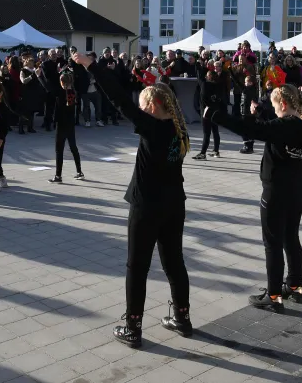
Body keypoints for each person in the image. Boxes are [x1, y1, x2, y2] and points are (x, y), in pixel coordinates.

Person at [72, 51, 192, 349]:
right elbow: (140, 97)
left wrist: (92, 66)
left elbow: (118, 99)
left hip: (147, 205)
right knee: (174, 262)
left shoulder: (153, 128)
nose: (138, 107)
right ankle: (182, 318)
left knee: (137, 267)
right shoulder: (179, 128)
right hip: (174, 203)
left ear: (151, 107)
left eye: (143, 104)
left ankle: (133, 327)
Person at [209, 85, 302, 312]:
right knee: (291, 237)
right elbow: (274, 127)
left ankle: (274, 294)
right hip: (298, 189)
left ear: (284, 104)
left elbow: (253, 130)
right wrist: (261, 112)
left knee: (272, 243)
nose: (272, 107)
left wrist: (217, 116)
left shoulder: (286, 125)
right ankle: (295, 286)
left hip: (277, 191)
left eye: (274, 103)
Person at [37, 66, 84, 183]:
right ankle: (79, 172)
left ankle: (58, 176)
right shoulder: (73, 92)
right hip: (70, 124)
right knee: (73, 148)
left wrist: (39, 76)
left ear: (62, 82)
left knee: (59, 150)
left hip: (61, 124)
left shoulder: (60, 93)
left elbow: (47, 87)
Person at [192, 66, 224, 160]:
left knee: (206, 133)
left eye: (207, 75)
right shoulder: (219, 85)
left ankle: (203, 153)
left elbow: (199, 76)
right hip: (215, 111)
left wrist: (199, 64)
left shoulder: (205, 85)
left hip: (206, 111)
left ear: (209, 77)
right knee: (215, 131)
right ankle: (216, 151)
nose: (205, 76)